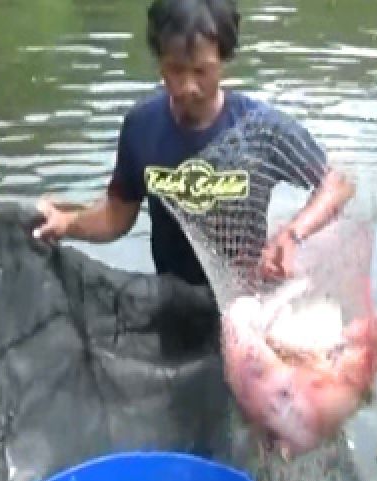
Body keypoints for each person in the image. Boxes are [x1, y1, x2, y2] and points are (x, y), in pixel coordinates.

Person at [34, 0, 354, 317]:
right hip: (173, 304)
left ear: (223, 60)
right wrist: (66, 223)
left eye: (201, 71)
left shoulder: (260, 129)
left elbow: (337, 185)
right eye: (175, 70)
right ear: (160, 62)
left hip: (248, 305)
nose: (188, 86)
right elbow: (116, 218)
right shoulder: (142, 126)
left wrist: (293, 234)